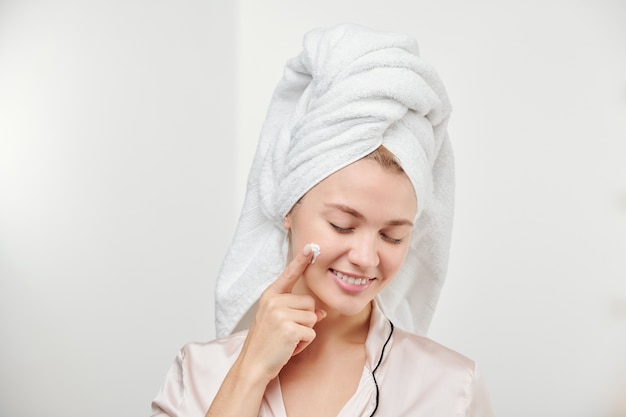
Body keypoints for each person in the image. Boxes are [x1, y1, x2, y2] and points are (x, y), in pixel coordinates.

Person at [151, 23, 494, 417]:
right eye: (342, 225)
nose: (366, 256)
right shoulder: (199, 373)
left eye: (393, 236)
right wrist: (249, 372)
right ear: (288, 209)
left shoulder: (451, 388)